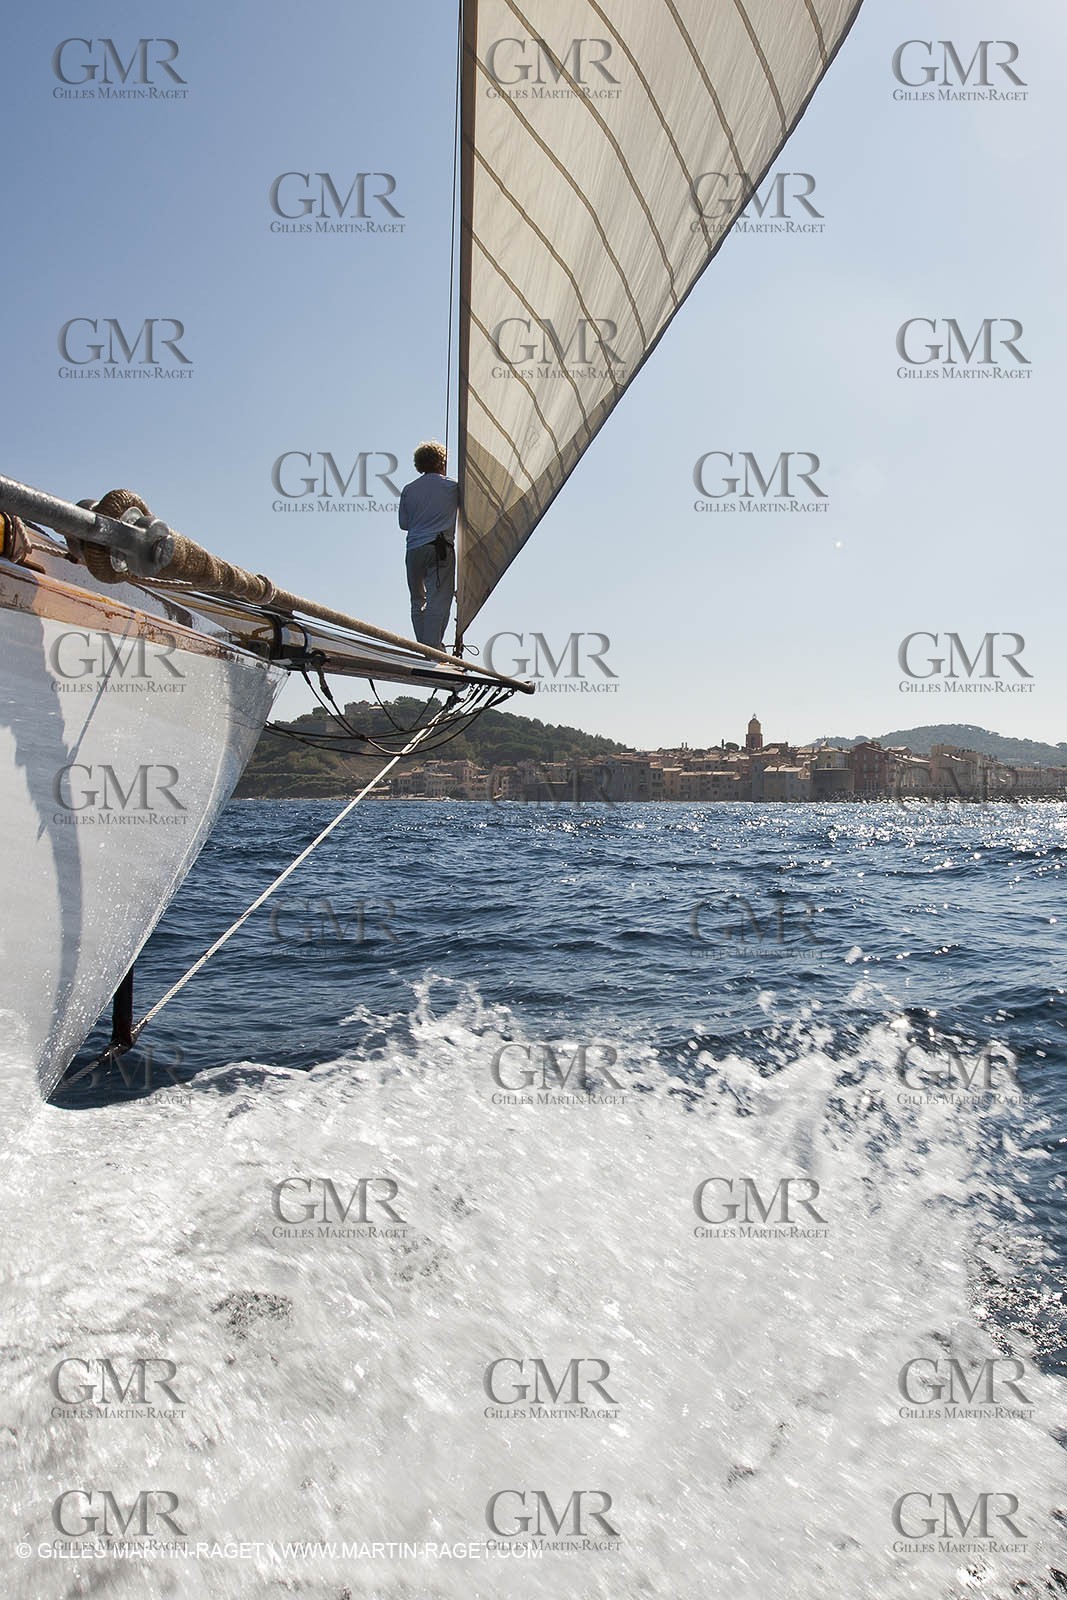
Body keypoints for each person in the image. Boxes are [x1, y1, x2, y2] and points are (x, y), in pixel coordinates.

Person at [398, 440, 458, 650]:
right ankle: (432, 650)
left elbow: (404, 524)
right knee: (439, 599)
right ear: (442, 461)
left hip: (413, 549)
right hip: (439, 548)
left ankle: (424, 647)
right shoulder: (452, 487)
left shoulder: (408, 489)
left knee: (417, 599)